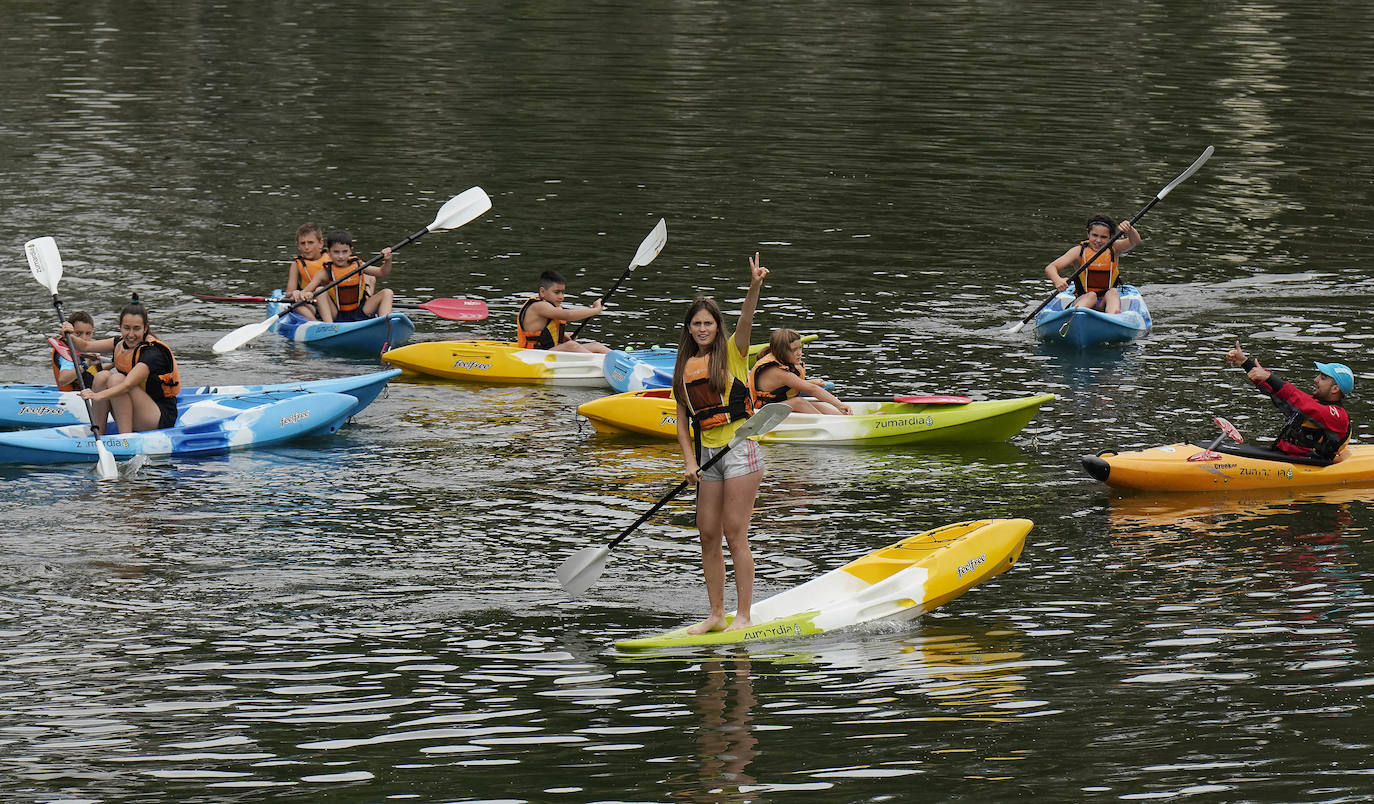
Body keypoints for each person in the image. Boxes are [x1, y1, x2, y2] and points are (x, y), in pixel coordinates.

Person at [671, 252, 769, 634]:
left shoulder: (732, 352)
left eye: (707, 323)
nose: (701, 329)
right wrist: (688, 462)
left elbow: (746, 319)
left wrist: (754, 286)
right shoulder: (683, 366)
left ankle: (742, 615)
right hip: (708, 456)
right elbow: (682, 423)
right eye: (696, 324)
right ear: (689, 328)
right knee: (707, 533)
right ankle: (715, 615)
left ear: (717, 326)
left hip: (741, 450)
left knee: (733, 533)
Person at [61, 296, 181, 434]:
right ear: (120, 327)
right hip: (136, 410)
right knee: (101, 376)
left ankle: (125, 438)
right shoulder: (119, 343)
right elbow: (85, 346)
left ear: (145, 328)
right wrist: (68, 333)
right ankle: (98, 434)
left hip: (158, 417)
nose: (131, 334)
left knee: (116, 379)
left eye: (136, 329)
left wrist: (97, 396)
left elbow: (127, 385)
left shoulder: (153, 353)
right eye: (126, 328)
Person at [1225, 341, 1353, 462]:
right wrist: (1245, 363)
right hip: (1283, 457)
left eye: (1323, 378)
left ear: (1335, 389)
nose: (1316, 379)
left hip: (1306, 465)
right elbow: (1277, 391)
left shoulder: (1337, 416)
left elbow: (1302, 401)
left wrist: (1269, 377)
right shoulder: (1312, 403)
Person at [1043, 214, 1142, 315]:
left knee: (1112, 292)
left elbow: (1135, 241)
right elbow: (1050, 267)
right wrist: (1057, 280)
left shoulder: (1115, 248)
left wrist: (1129, 230)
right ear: (1088, 233)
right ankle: (1076, 315)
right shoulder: (1078, 252)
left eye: (1103, 237)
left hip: (1105, 303)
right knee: (1091, 295)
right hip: (1084, 299)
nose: (1098, 240)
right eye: (1095, 235)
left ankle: (1113, 316)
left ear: (1111, 237)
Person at [748, 328, 852, 415]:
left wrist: (809, 382)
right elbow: (812, 390)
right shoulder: (777, 371)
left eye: (800, 348)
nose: (799, 353)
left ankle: (843, 417)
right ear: (781, 351)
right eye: (794, 350)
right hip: (761, 413)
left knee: (814, 405)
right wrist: (840, 405)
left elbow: (788, 386)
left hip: (777, 406)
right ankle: (829, 423)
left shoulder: (783, 363)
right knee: (799, 402)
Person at [300, 230, 394, 323]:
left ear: (351, 251)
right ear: (328, 252)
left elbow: (382, 272)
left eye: (344, 252)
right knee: (319, 290)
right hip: (337, 314)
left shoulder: (358, 265)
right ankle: (329, 326)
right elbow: (306, 291)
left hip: (361, 310)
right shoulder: (325, 272)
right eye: (336, 252)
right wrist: (306, 294)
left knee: (387, 292)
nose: (341, 256)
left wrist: (387, 261)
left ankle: (385, 323)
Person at [515, 270, 610, 353]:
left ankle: (622, 359)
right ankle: (605, 365)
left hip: (547, 353)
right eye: (556, 292)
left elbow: (543, 333)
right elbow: (568, 315)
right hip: (533, 355)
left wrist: (562, 335)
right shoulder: (539, 306)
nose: (561, 297)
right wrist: (595, 310)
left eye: (563, 292)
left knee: (595, 345)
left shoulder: (549, 307)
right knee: (571, 345)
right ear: (542, 292)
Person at [284, 222, 330, 321]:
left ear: (321, 243)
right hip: (310, 306)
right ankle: (314, 323)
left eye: (310, 242)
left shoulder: (332, 259)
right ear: (298, 246)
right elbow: (288, 294)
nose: (306, 247)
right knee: (294, 300)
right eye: (302, 243)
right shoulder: (296, 265)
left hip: (330, 304)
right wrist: (296, 292)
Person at [51, 311, 105, 391]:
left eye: (88, 333)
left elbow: (92, 372)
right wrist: (87, 364)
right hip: (75, 397)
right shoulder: (66, 355)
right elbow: (63, 379)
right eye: (78, 333)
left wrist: (114, 363)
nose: (84, 338)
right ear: (68, 334)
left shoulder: (84, 351)